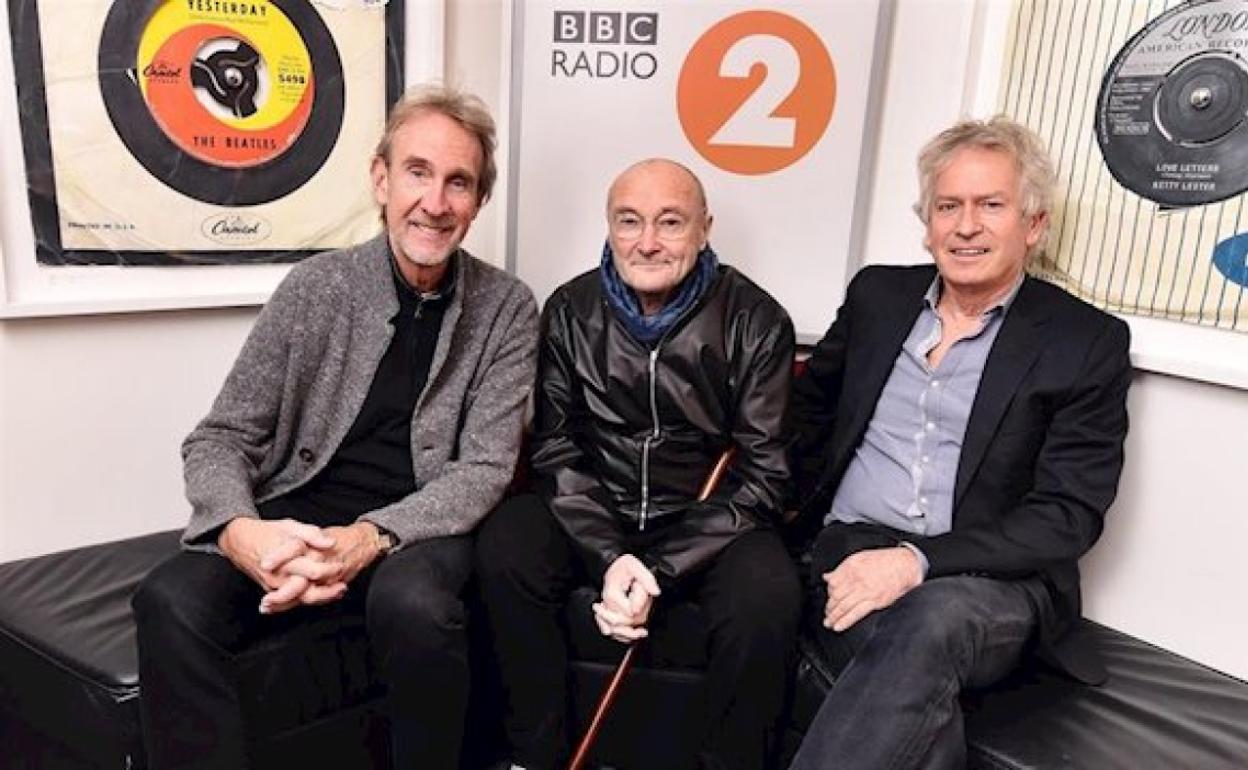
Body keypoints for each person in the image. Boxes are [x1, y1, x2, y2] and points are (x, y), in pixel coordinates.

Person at [132, 84, 538, 769]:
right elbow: (221, 437)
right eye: (417, 172)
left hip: (418, 526)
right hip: (297, 516)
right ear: (381, 179)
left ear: (478, 201)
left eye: (458, 182)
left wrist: (368, 538)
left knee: (415, 606)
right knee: (168, 599)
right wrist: (240, 532)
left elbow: (484, 469)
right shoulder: (315, 288)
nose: (435, 202)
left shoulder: (507, 308)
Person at [787, 116, 1132, 769]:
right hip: (850, 545)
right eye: (949, 206)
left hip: (988, 581)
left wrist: (916, 561)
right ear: (928, 224)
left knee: (927, 623)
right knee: (907, 667)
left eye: (990, 205)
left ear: (1034, 224)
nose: (966, 226)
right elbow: (805, 417)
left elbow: (1068, 516)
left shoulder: (1085, 341)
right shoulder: (877, 296)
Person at [477, 158, 800, 770]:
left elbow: (765, 476)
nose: (647, 242)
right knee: (505, 548)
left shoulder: (756, 320)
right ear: (609, 226)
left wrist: (660, 567)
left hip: (707, 525)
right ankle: (533, 754)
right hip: (596, 510)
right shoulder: (570, 310)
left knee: (770, 594)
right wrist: (609, 554)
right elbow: (554, 447)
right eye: (629, 221)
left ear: (704, 229)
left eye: (669, 222)